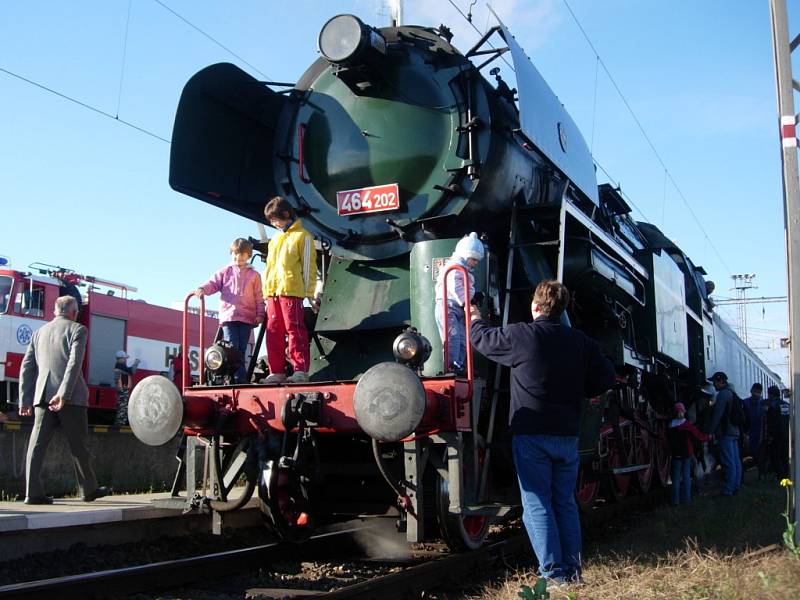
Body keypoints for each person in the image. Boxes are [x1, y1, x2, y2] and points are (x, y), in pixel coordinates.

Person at [470, 280, 615, 584]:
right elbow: (605, 378)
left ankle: (553, 574)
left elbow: (483, 340)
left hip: (532, 434)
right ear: (562, 309)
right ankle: (573, 572)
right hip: (567, 436)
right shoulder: (581, 342)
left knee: (537, 504)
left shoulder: (523, 335)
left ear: (535, 307)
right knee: (564, 502)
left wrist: (474, 317)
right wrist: (582, 389)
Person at [18, 295, 111, 504]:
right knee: (79, 446)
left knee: (36, 446)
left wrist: (25, 399)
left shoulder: (38, 333)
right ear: (74, 312)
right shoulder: (78, 330)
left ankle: (32, 493)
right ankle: (88, 490)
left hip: (42, 396)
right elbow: (74, 363)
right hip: (71, 399)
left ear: (54, 311)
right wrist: (64, 393)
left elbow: (27, 367)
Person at [261, 196, 319, 384]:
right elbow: (268, 268)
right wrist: (266, 293)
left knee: (295, 330)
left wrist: (309, 293)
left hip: (291, 291)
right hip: (273, 293)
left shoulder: (303, 236)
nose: (274, 223)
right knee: (273, 331)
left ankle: (300, 369)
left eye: (275, 219)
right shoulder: (275, 240)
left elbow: (309, 267)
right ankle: (276, 371)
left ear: (286, 214)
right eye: (271, 221)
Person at [195, 237, 265, 383]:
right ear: (231, 254)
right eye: (235, 255)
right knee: (232, 347)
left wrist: (260, 314)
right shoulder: (226, 271)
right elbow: (213, 283)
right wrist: (203, 288)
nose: (237, 258)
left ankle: (238, 377)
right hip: (230, 317)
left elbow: (259, 296)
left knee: (242, 348)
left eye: (241, 256)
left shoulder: (254, 275)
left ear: (248, 256)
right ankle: (235, 377)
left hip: (246, 317)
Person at [434, 232, 485, 374]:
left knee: (463, 338)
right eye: (473, 259)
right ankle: (451, 365)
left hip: (458, 308)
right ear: (464, 255)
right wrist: (466, 302)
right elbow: (455, 287)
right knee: (453, 336)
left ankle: (460, 364)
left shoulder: (466, 270)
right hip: (447, 306)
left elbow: (465, 289)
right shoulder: (454, 268)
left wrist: (474, 296)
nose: (475, 262)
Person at [704, 371, 741, 496]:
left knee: (728, 462)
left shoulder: (723, 395)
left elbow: (717, 416)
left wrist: (710, 431)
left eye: (714, 382)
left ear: (720, 381)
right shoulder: (732, 393)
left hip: (726, 432)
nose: (713, 385)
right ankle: (735, 486)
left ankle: (728, 490)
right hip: (734, 431)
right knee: (736, 461)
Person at [667, 402, 709, 505]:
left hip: (675, 454)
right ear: (684, 411)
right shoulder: (687, 425)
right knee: (686, 476)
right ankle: (687, 499)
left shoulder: (670, 425)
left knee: (676, 478)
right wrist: (708, 437)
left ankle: (675, 500)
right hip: (686, 454)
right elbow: (698, 436)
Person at [765, 385, 790, 479]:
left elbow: (771, 422)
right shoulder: (786, 405)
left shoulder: (772, 406)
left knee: (775, 456)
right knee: (784, 456)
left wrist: (770, 435)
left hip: (776, 435)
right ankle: (786, 474)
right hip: (786, 433)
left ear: (771, 395)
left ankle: (781, 476)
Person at [113, 350, 140, 426]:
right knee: (122, 408)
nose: (125, 360)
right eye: (124, 358)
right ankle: (119, 425)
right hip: (122, 390)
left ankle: (121, 423)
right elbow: (132, 371)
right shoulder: (120, 366)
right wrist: (136, 362)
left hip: (122, 389)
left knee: (123, 407)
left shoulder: (119, 366)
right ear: (120, 358)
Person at [743, 383, 764, 463]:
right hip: (750, 431)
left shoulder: (763, 404)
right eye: (755, 391)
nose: (756, 393)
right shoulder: (745, 402)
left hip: (758, 432)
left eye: (758, 392)